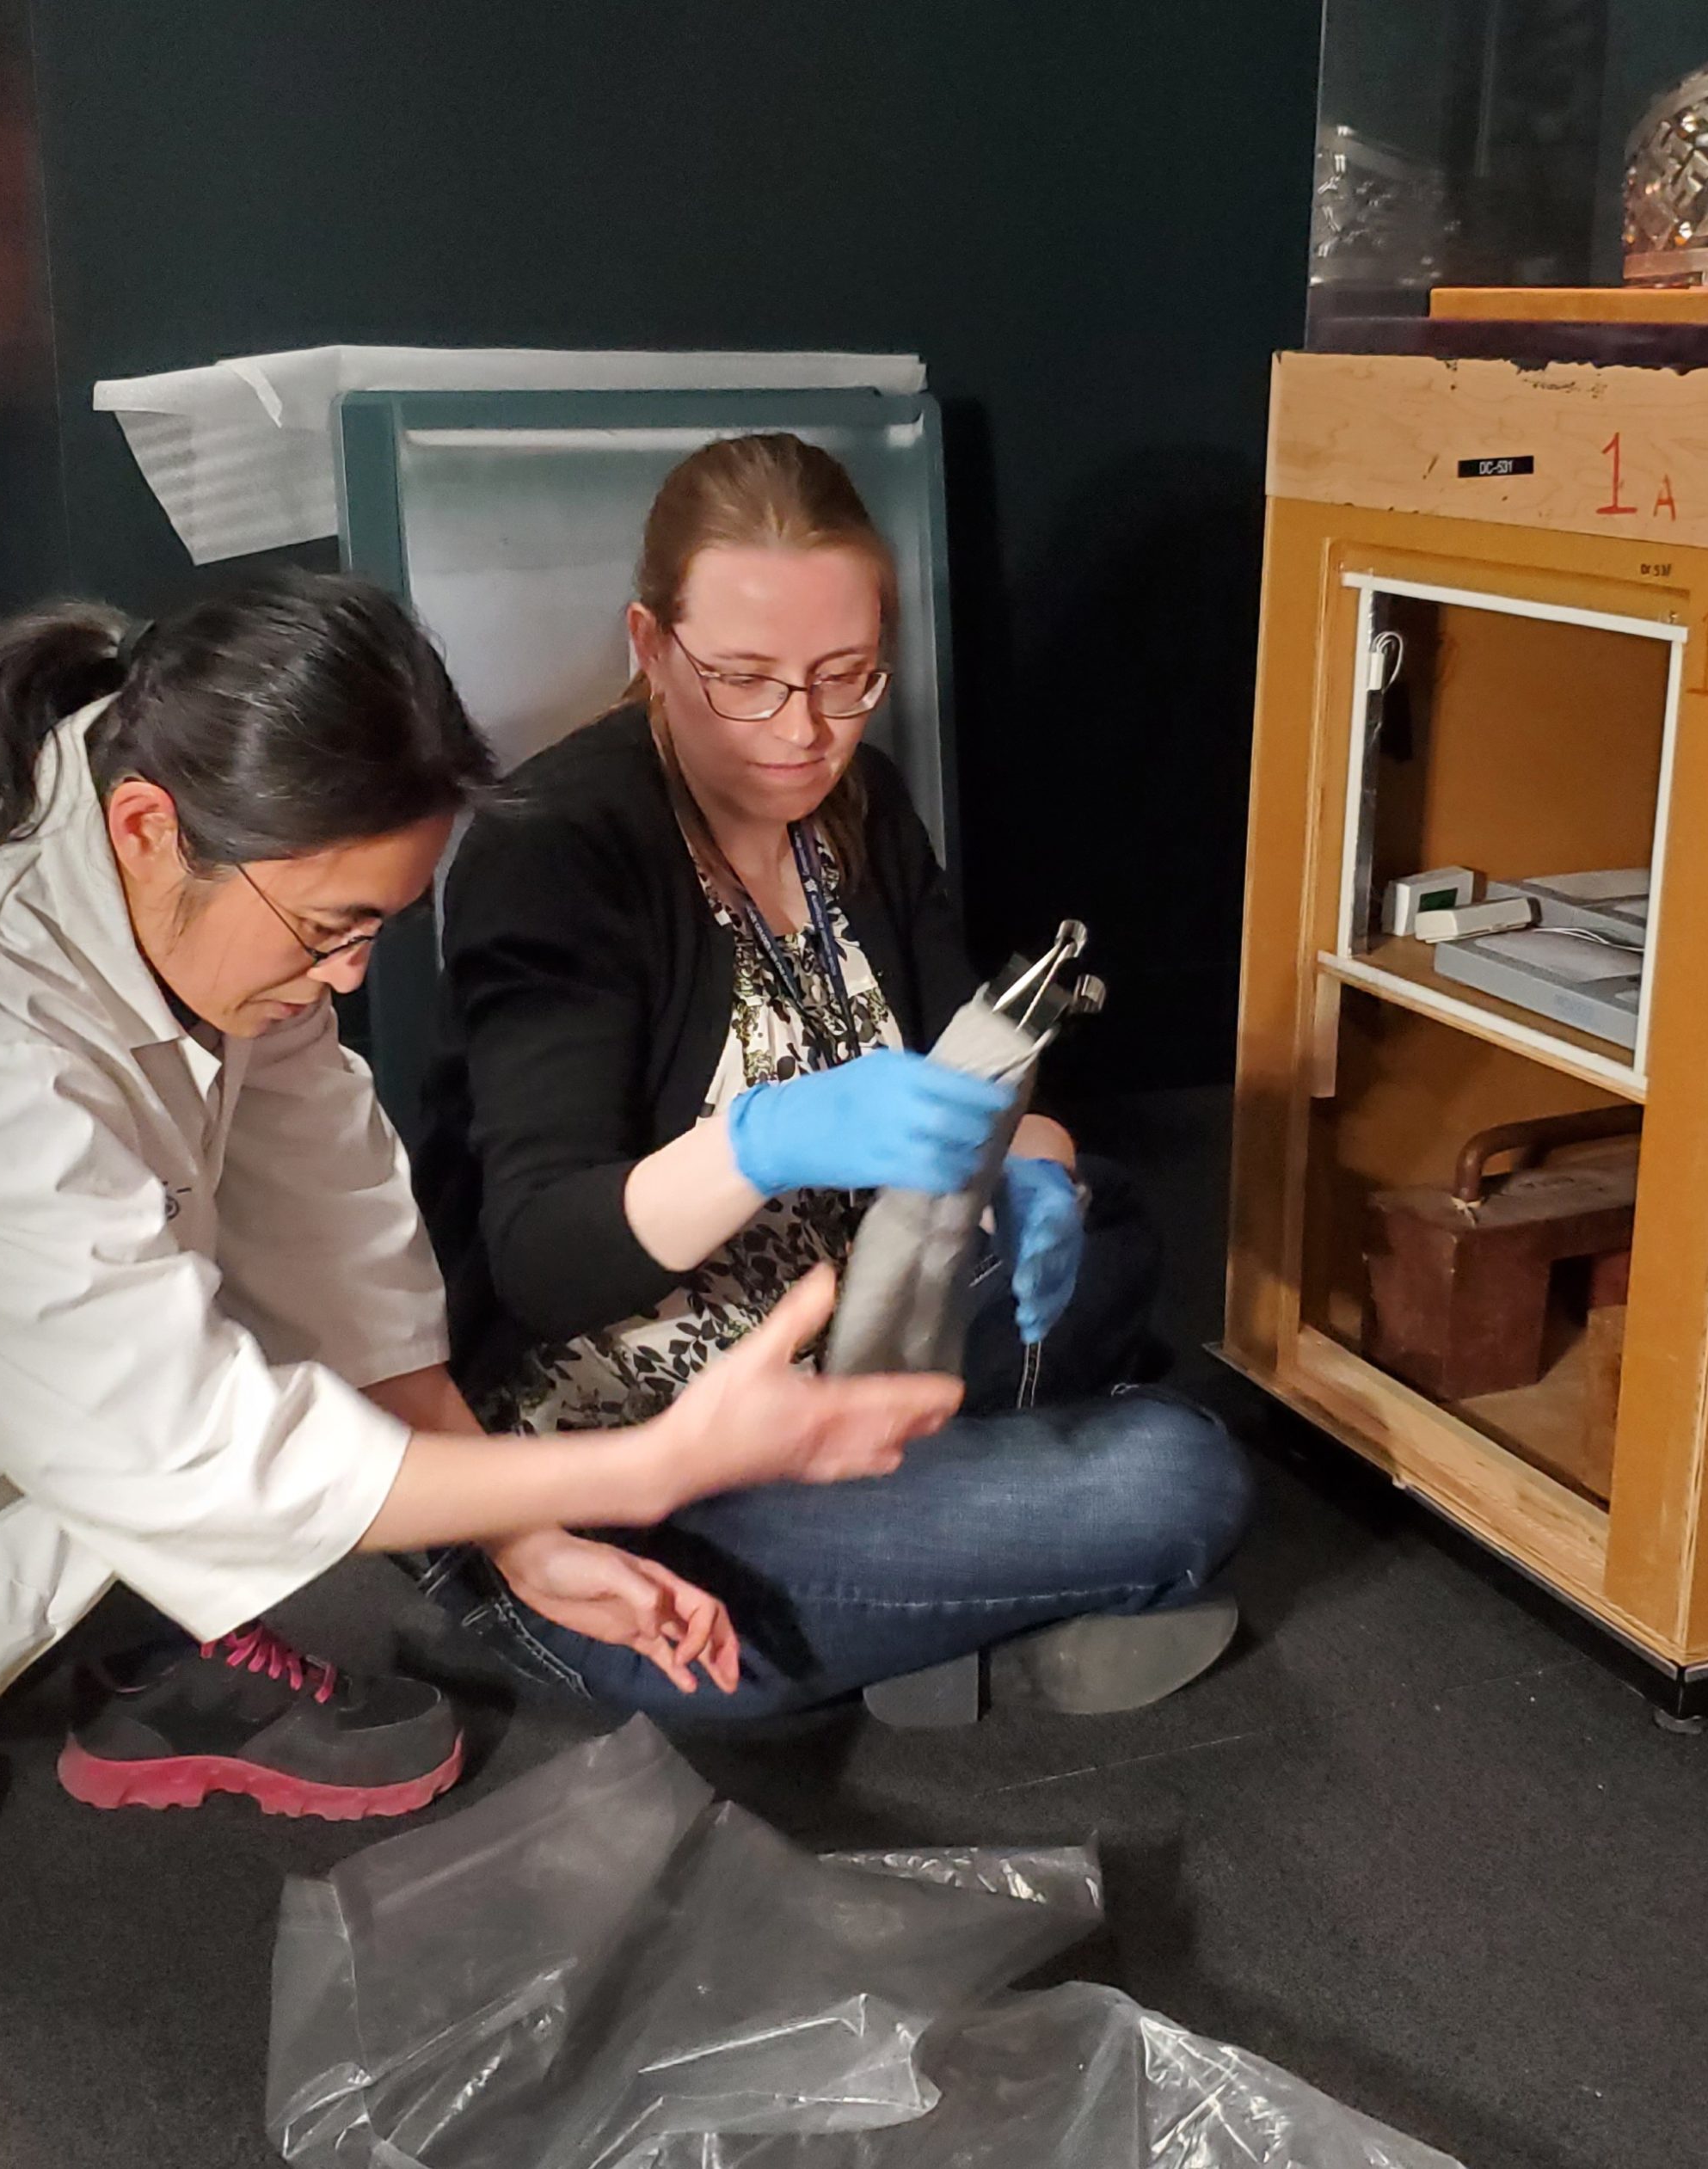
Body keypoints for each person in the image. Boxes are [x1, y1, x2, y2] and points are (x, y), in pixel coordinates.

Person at [0, 571, 963, 1921]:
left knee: (169, 1285)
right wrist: (658, 1462)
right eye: (331, 930)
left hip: (23, 1337)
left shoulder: (218, 835)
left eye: (375, 926)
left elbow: (334, 1226)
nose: (351, 976)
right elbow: (169, 1430)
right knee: (100, 1408)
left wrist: (524, 1528)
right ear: (144, 829)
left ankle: (142, 1622)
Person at [416, 433, 1256, 1726]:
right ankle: (978, 1580)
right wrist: (758, 1139)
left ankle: (940, 1581)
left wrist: (1030, 1166)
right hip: (653, 1455)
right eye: (746, 681)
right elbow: (539, 1254)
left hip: (855, 1335)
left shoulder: (855, 804)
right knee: (1177, 1472)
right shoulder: (559, 850)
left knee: (1108, 1217)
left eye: (847, 676)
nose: (803, 731)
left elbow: (980, 1079)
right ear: (649, 645)